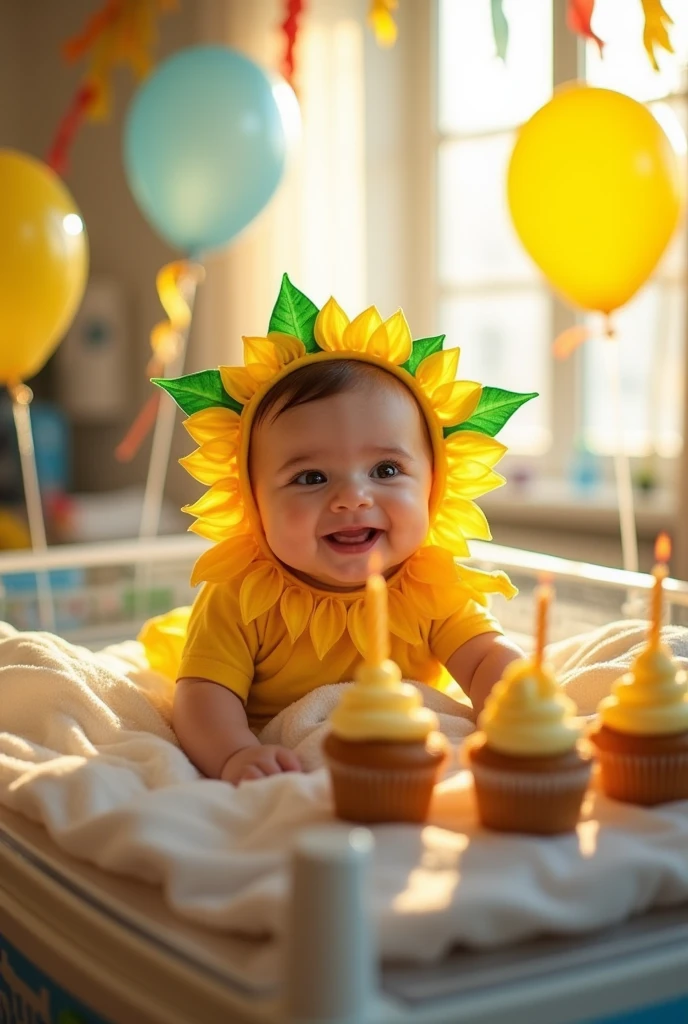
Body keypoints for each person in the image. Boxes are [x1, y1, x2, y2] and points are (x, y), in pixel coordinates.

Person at [140, 282, 530, 784]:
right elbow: (203, 697)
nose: (352, 498)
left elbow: (485, 660)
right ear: (252, 502)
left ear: (435, 484)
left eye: (386, 470)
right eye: (311, 478)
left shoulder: (432, 585)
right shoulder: (241, 594)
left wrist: (519, 702)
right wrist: (235, 752)